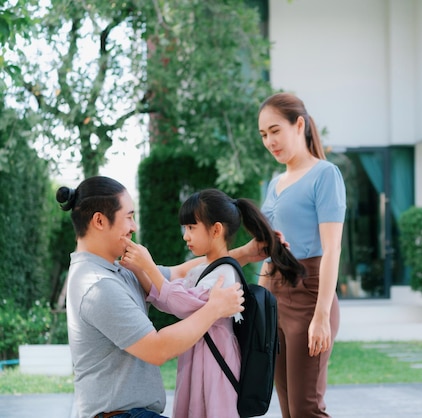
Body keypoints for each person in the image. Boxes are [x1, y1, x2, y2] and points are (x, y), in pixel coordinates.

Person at [56, 176, 263, 418]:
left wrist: (244, 253)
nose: (134, 227)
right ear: (100, 221)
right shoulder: (98, 285)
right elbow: (157, 349)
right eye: (129, 216)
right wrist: (214, 309)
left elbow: (176, 274)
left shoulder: (118, 269)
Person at [120, 188, 304, 418]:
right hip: (202, 362)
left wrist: (147, 266)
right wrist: (139, 271)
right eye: (185, 228)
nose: (185, 236)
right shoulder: (202, 269)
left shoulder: (225, 274)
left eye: (191, 228)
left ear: (216, 229)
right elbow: (168, 300)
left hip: (216, 367)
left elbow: (182, 304)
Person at [257, 92, 347, 417]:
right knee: (288, 408)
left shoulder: (325, 175)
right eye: (264, 135)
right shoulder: (274, 184)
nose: (270, 141)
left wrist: (321, 315)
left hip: (310, 297)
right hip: (275, 297)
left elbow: (332, 248)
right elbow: (270, 248)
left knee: (306, 408)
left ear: (299, 125)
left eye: (275, 130)